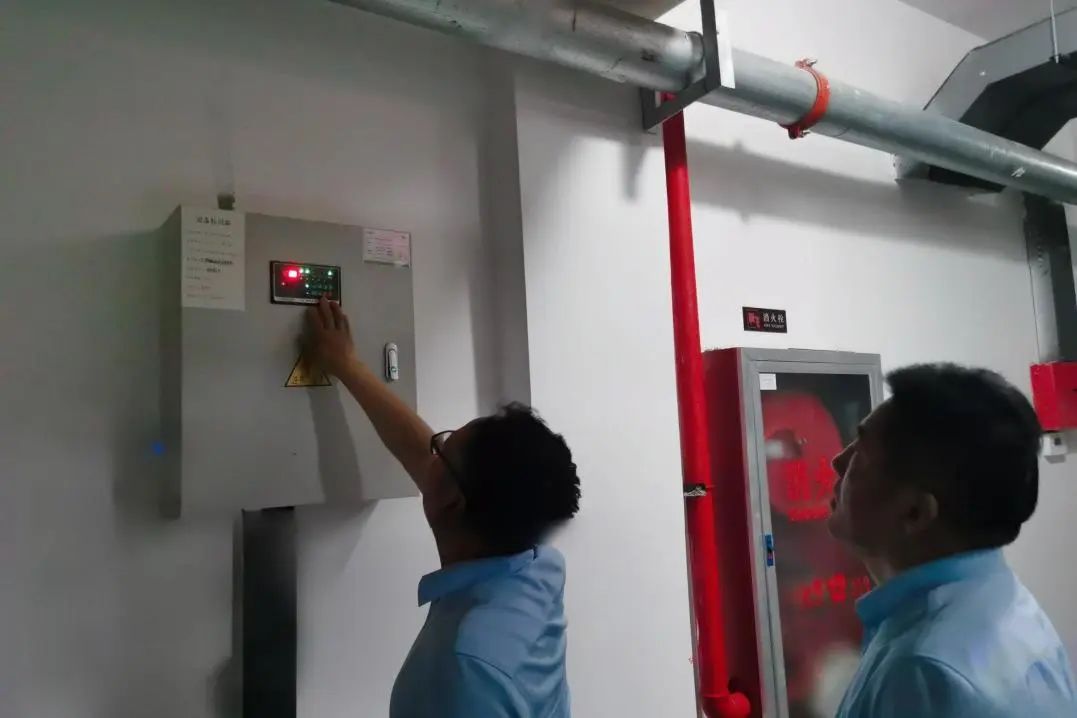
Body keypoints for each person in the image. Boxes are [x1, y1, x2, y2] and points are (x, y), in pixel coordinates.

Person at [305, 298, 580, 718]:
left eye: (443, 451)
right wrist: (346, 364)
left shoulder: (463, 672)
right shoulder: (538, 567)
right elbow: (420, 452)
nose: (430, 452)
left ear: (452, 500)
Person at [828, 363, 1076, 718]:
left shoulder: (923, 674)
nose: (838, 462)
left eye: (861, 454)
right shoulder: (1005, 602)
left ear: (915, 513)